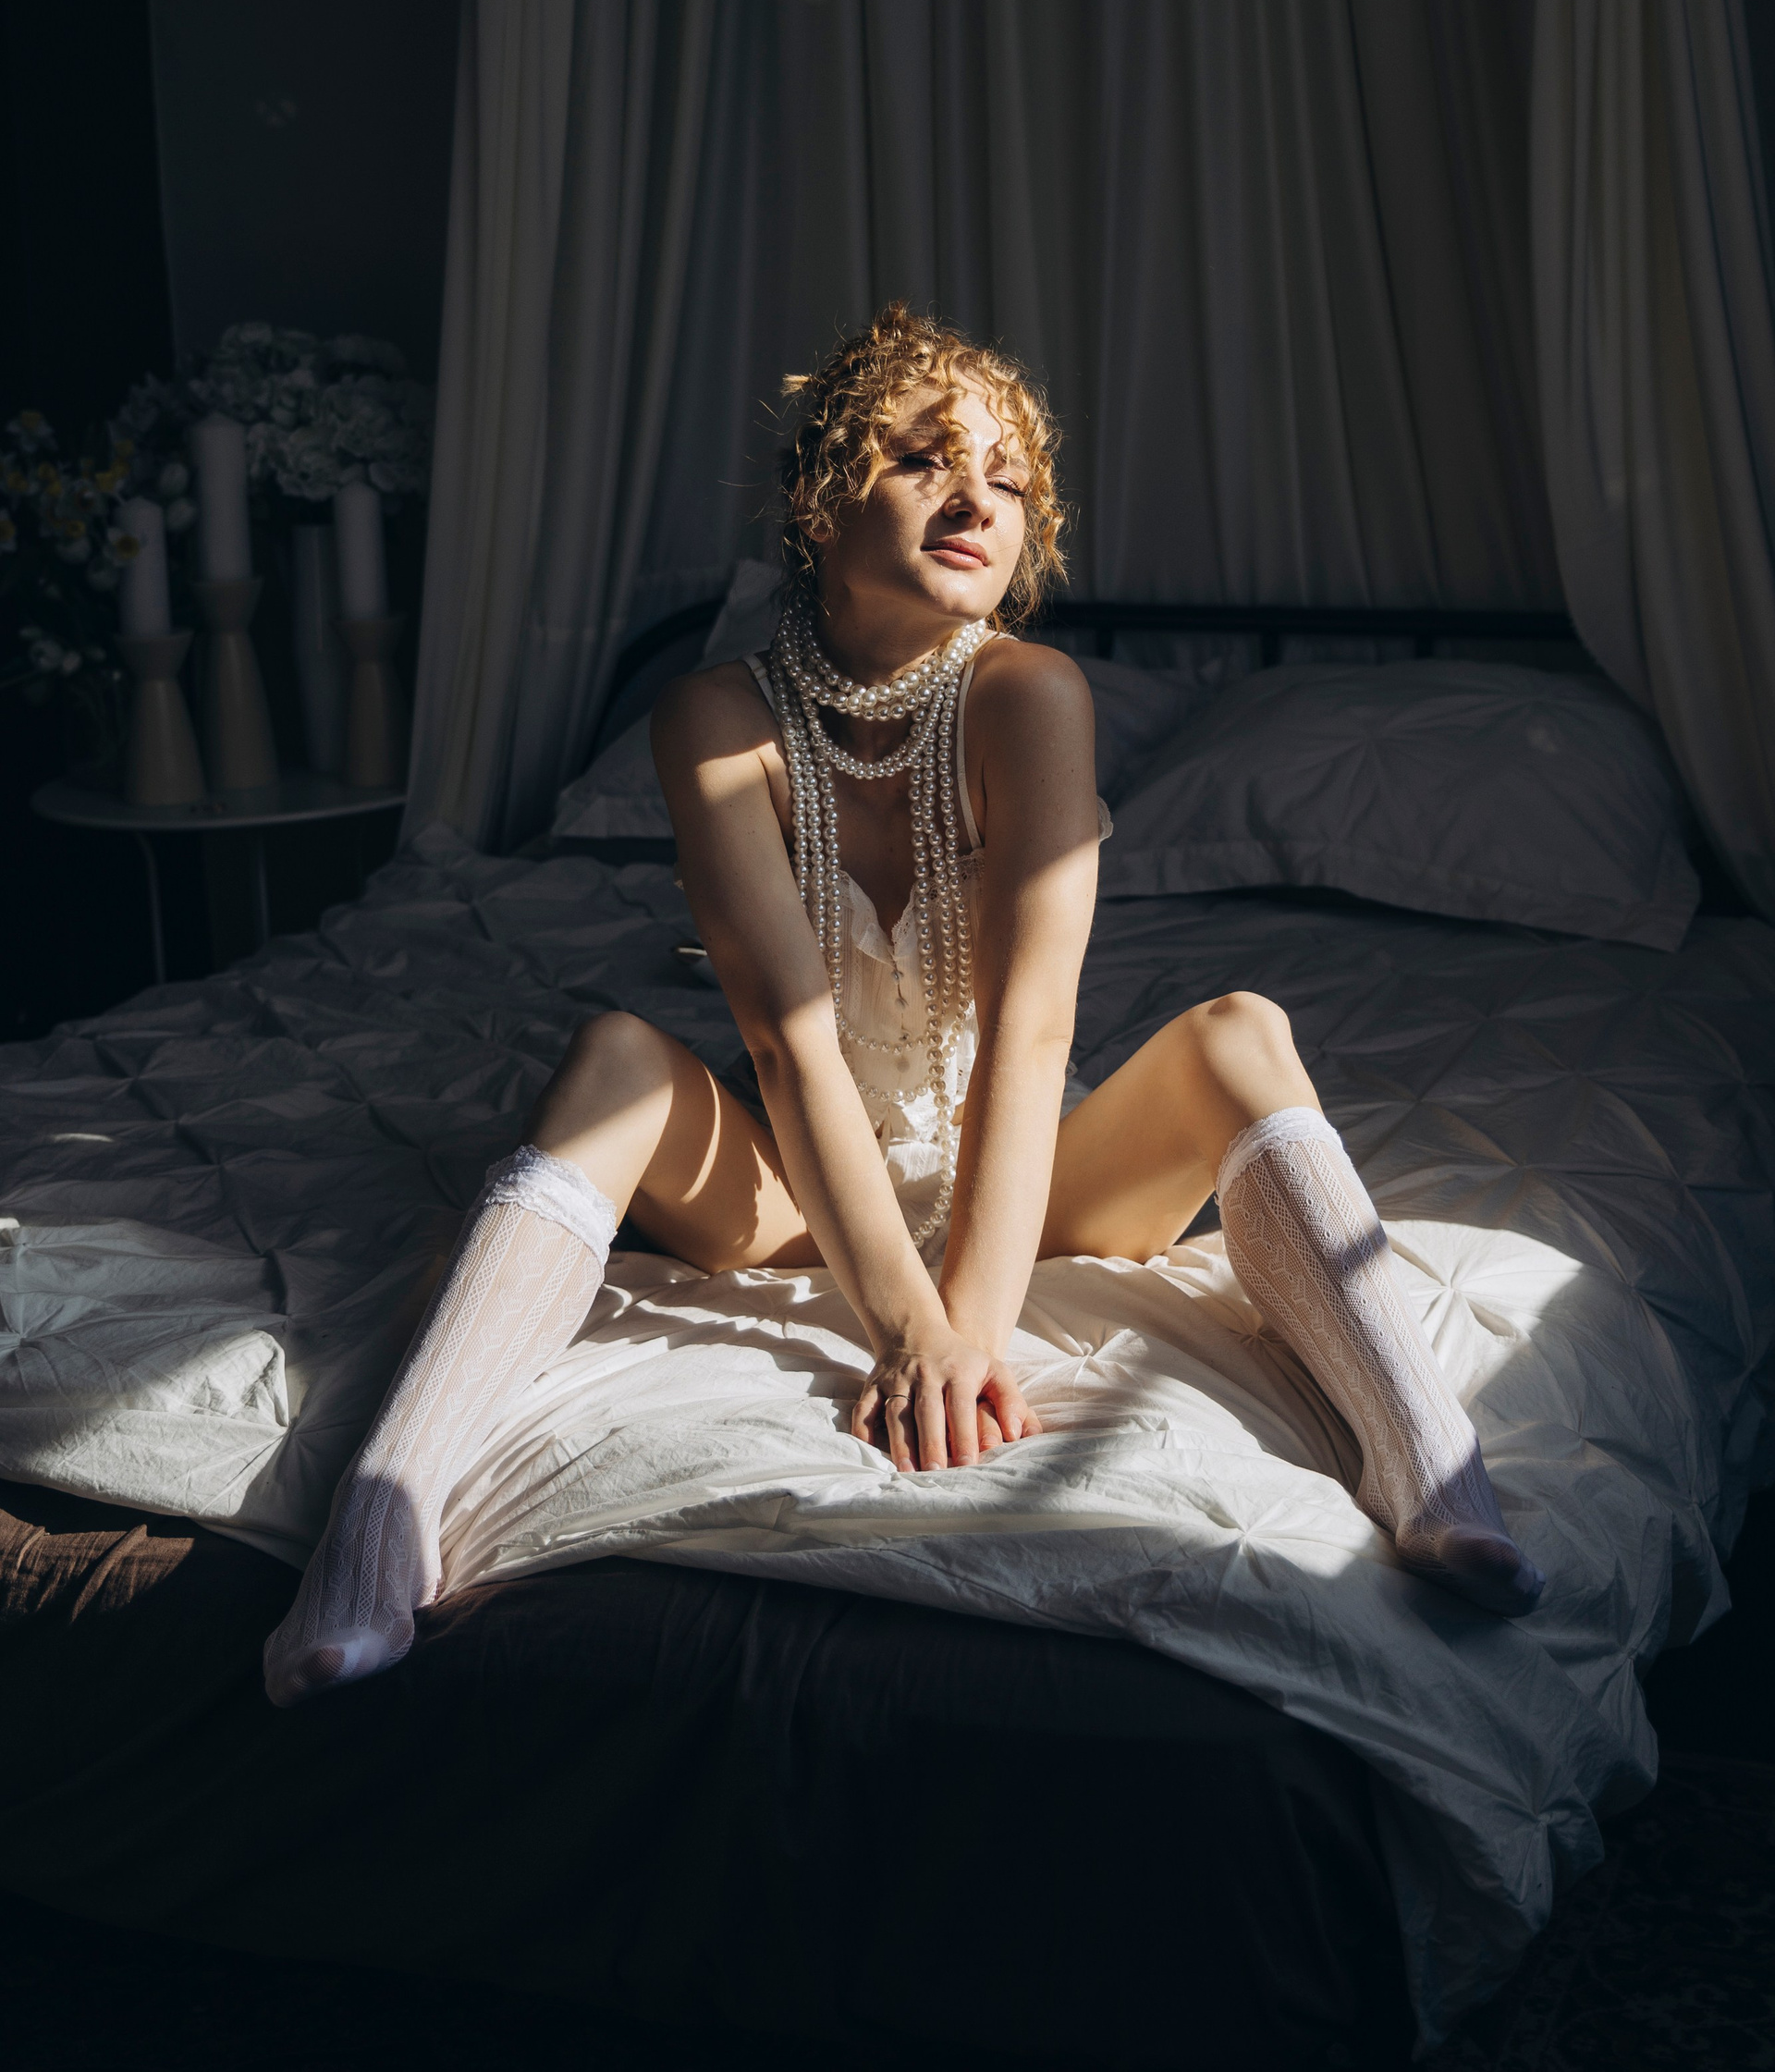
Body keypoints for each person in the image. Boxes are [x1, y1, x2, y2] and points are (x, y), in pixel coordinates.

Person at [264, 308, 1542, 1706]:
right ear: (821, 504)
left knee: (1242, 1029)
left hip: (1038, 1185)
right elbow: (784, 1041)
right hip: (800, 1190)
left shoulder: (1032, 695)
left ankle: (1432, 1471)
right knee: (612, 1057)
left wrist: (968, 1340)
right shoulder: (713, 718)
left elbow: (1033, 1035)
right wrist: (900, 1330)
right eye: (926, 458)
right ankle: (379, 1522)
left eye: (1009, 479)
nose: (977, 498)